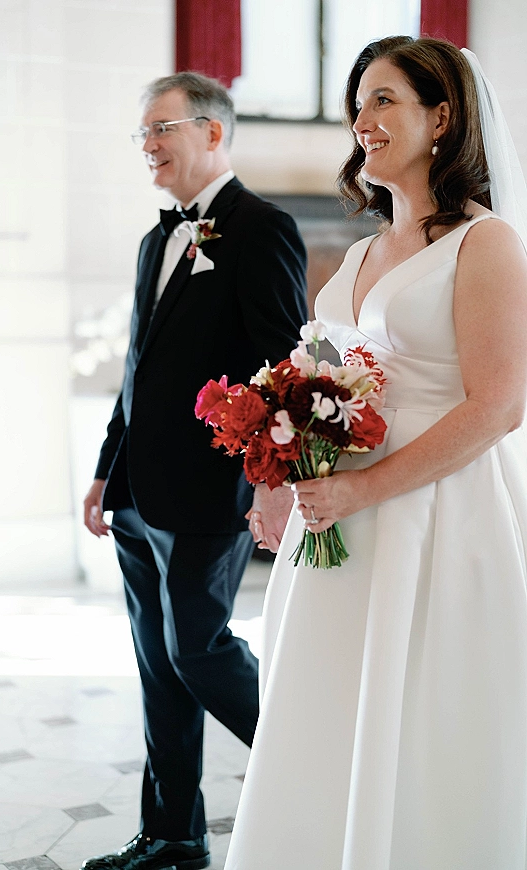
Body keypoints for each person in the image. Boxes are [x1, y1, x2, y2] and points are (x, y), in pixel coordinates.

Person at [224, 36, 527, 870]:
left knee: (423, 717)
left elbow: (500, 405)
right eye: (359, 104)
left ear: (443, 116)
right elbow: (313, 386)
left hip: (437, 518)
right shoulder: (356, 255)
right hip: (338, 527)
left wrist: (368, 491)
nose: (362, 121)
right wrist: (278, 478)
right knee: (323, 710)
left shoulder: (485, 244)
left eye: (384, 100)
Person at [80, 72, 307, 870]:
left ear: (212, 133)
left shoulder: (262, 228)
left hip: (212, 490)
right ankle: (173, 835)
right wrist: (108, 472)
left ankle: (311, 775)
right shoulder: (156, 240)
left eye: (160, 128)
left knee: (198, 650)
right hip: (140, 495)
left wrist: (275, 478)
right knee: (157, 665)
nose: (147, 145)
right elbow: (137, 371)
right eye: (140, 132)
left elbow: (286, 363)